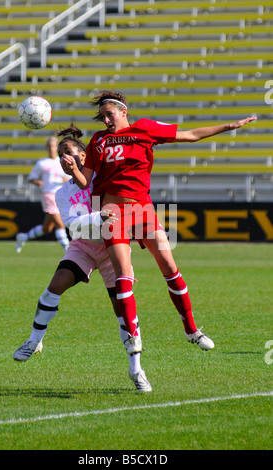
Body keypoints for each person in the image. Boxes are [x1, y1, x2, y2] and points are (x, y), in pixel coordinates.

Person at [62, 89, 257, 354]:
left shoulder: (145, 129)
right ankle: (133, 337)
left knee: (169, 266)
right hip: (110, 210)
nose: (106, 121)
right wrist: (74, 169)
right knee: (123, 275)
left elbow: (189, 135)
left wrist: (229, 126)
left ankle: (191, 329)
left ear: (123, 111)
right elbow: (86, 182)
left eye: (110, 115)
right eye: (103, 117)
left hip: (142, 208)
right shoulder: (98, 141)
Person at [13, 125, 152, 392]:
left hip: (114, 248)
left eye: (70, 152)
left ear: (84, 156)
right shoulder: (62, 193)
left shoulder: (102, 177)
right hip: (84, 246)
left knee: (122, 310)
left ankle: (136, 370)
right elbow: (73, 226)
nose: (65, 158)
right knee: (55, 286)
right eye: (61, 153)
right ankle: (34, 341)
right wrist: (98, 217)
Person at [15, 136, 70, 253]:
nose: (52, 148)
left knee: (47, 228)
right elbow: (31, 178)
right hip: (49, 195)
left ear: (58, 147)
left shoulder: (63, 160)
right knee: (60, 224)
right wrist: (38, 182)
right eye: (49, 146)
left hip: (61, 196)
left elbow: (71, 177)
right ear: (46, 148)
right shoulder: (42, 163)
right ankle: (68, 250)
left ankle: (22, 237)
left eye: (54, 146)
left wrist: (66, 180)